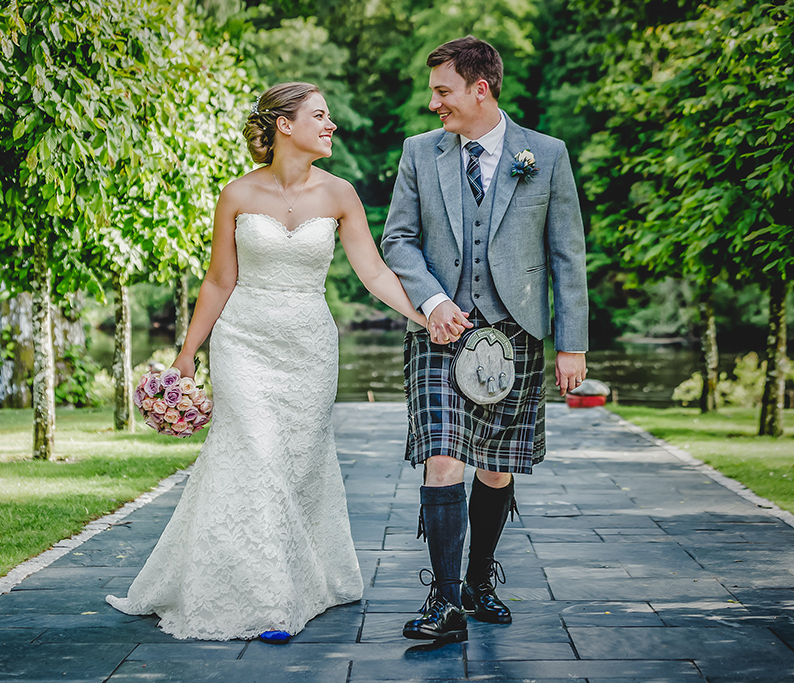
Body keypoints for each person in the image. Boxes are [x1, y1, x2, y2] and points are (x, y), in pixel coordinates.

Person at [106, 82, 430, 642]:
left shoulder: (340, 194)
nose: (332, 126)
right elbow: (218, 280)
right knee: (254, 458)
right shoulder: (235, 194)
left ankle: (306, 577)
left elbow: (374, 273)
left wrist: (428, 315)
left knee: (296, 466)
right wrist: (186, 356)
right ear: (285, 124)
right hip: (244, 343)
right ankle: (270, 603)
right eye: (320, 116)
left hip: (308, 345)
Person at [381, 36, 588, 642]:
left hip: (514, 332)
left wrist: (571, 343)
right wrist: (434, 301)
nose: (432, 104)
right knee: (441, 456)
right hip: (439, 331)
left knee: (497, 467)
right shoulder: (420, 153)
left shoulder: (545, 155)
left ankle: (477, 581)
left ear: (480, 88)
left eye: (442, 91)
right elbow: (398, 240)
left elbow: (567, 256)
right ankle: (444, 604)